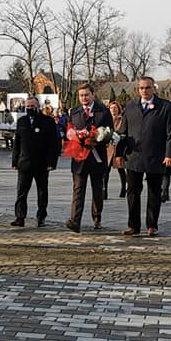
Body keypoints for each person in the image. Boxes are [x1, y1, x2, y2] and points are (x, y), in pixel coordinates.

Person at [113, 76, 171, 237]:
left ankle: (152, 225)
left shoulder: (165, 106)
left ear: (154, 88)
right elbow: (123, 132)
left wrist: (169, 154)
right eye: (141, 88)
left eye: (147, 87)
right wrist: (119, 153)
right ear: (138, 89)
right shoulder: (130, 106)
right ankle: (133, 225)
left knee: (154, 192)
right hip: (134, 156)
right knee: (133, 191)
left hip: (156, 155)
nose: (144, 91)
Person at [64, 83, 114, 233]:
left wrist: (97, 137)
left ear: (92, 95)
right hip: (79, 158)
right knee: (78, 190)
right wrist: (75, 136)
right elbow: (69, 130)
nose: (84, 98)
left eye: (86, 95)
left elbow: (110, 133)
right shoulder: (74, 112)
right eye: (81, 95)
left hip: (97, 158)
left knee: (97, 190)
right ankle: (75, 221)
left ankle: (97, 217)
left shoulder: (103, 112)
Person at [10, 96, 60, 227]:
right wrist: (15, 161)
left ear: (38, 107)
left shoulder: (47, 121)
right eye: (27, 106)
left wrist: (52, 162)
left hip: (42, 164)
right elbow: (17, 143)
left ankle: (41, 217)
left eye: (32, 106)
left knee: (42, 192)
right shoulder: (22, 121)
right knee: (21, 192)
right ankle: (20, 217)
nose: (29, 109)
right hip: (24, 163)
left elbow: (54, 144)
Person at [105, 101, 126, 198]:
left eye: (115, 108)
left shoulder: (122, 119)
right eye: (111, 108)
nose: (113, 110)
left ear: (118, 109)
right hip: (109, 148)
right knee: (106, 171)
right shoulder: (106, 120)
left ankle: (123, 189)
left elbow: (124, 131)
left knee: (121, 169)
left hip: (119, 148)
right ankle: (104, 191)